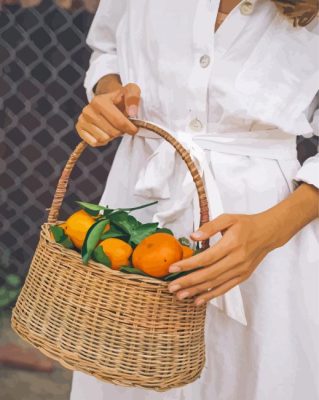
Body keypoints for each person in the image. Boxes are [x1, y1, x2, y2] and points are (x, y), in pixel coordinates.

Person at [70, 0, 319, 399]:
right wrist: (109, 95)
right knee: (127, 378)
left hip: (264, 234)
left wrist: (268, 234)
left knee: (248, 376)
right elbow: (107, 48)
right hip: (139, 200)